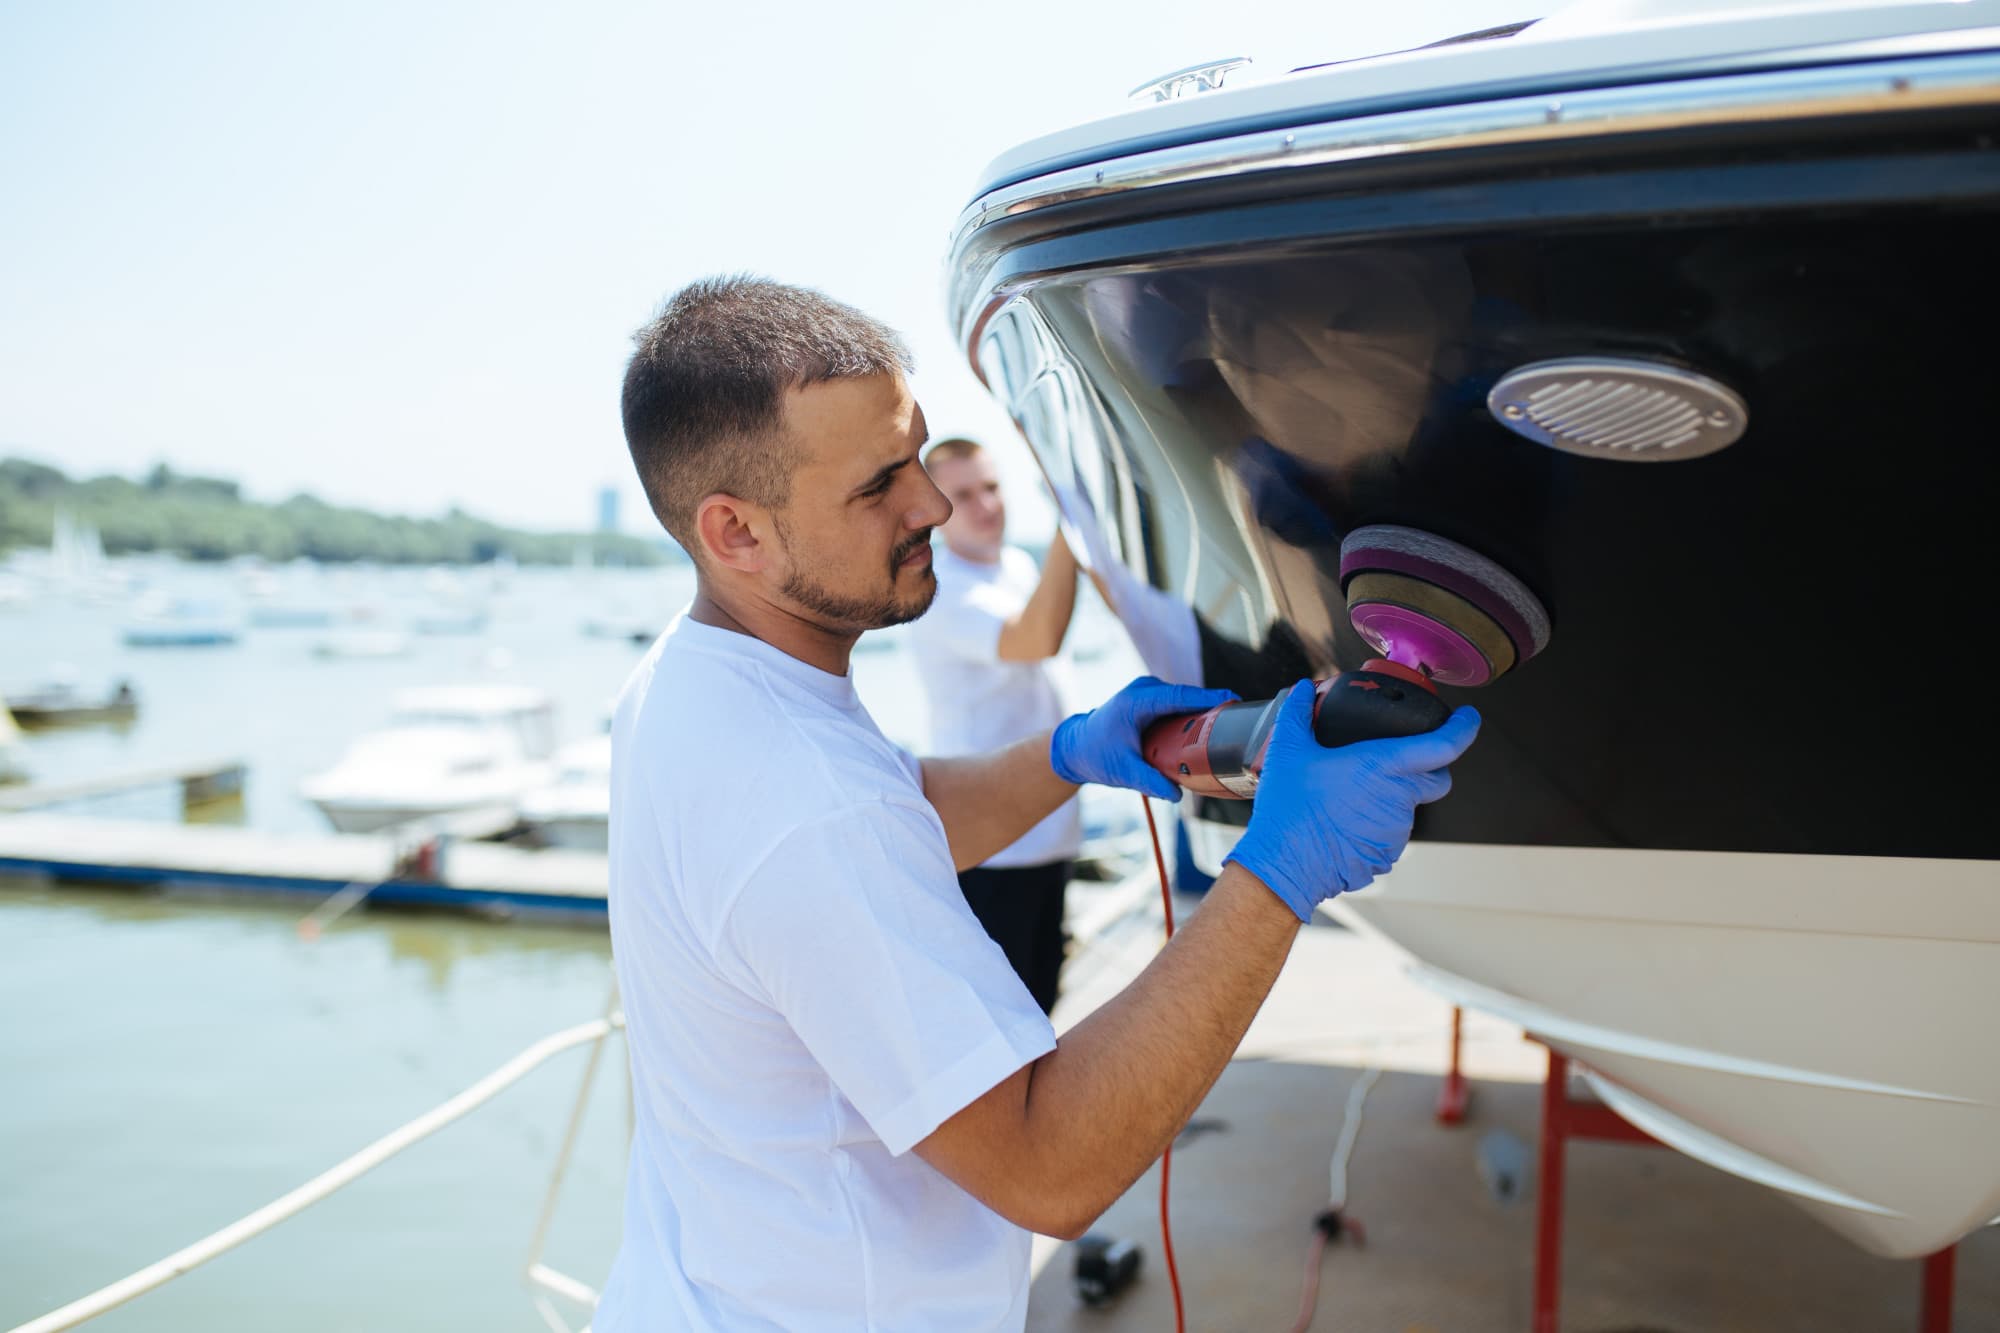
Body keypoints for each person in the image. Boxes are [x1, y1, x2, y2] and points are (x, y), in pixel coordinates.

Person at [597, 275, 1480, 1332]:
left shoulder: (689, 684)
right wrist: (1280, 870)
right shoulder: (802, 804)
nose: (928, 502)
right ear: (735, 531)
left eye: (917, 452)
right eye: (879, 484)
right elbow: (1047, 1166)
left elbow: (891, 812)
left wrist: (1071, 754)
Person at [908, 436, 1080, 1015]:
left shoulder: (1015, 565)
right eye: (963, 494)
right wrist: (1075, 518)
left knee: (1044, 1004)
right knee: (1008, 1023)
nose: (985, 504)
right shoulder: (940, 589)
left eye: (991, 486)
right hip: (992, 847)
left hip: (1049, 831)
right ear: (935, 511)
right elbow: (1035, 638)